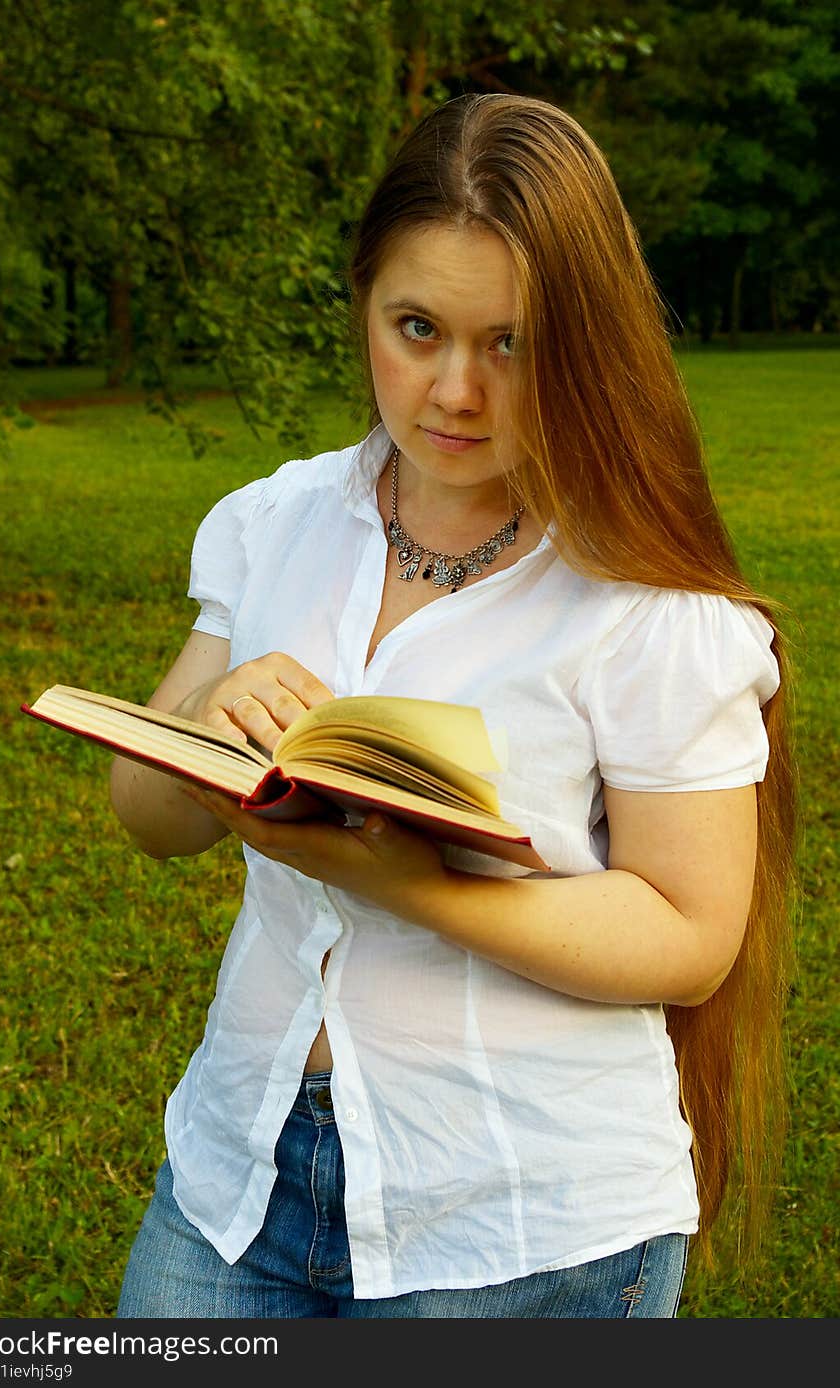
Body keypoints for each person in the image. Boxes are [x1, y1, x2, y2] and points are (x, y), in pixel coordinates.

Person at [110, 93, 797, 1319]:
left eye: (512, 342)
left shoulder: (644, 599)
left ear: (585, 344)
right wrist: (210, 711)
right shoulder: (277, 522)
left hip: (521, 1219)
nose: (455, 391)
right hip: (238, 1165)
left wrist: (409, 882)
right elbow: (152, 815)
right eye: (416, 326)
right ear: (363, 302)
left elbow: (692, 936)